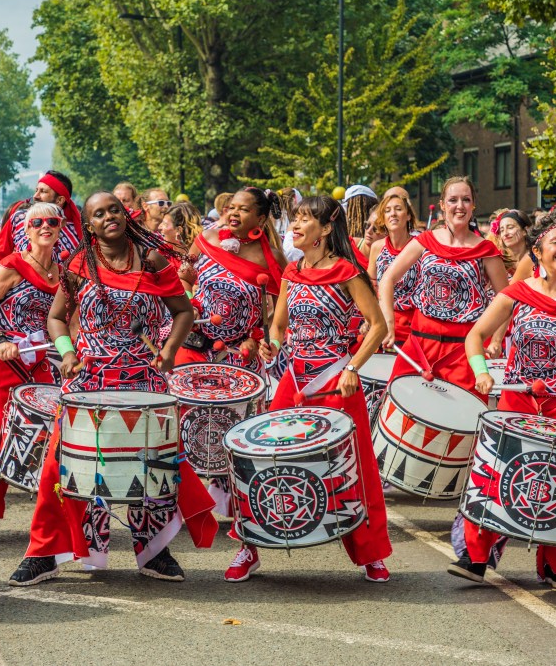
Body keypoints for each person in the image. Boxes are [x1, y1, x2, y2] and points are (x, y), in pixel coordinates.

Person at [7, 192, 217, 586]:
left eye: (114, 210)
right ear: (89, 225)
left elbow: (184, 311)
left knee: (153, 467)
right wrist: (67, 352)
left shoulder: (152, 260)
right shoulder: (77, 264)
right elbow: (56, 318)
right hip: (89, 381)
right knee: (60, 467)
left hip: (144, 383)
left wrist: (170, 350)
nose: (108, 217)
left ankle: (155, 550)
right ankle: (45, 553)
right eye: (98, 214)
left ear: (126, 214)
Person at [228, 195, 393, 583]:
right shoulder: (292, 273)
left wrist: (353, 366)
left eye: (304, 220)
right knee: (262, 457)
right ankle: (248, 545)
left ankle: (371, 554)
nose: (295, 226)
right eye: (294, 220)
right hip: (295, 378)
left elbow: (378, 326)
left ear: (323, 230)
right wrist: (272, 341)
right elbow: (279, 326)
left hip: (336, 380)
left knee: (354, 465)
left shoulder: (347, 272)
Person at [453, 215, 556, 589]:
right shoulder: (516, 293)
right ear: (538, 251)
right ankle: (475, 557)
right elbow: (475, 336)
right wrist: (481, 371)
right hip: (518, 398)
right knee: (495, 474)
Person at [0, 203, 62, 526]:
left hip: (39, 361)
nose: (45, 227)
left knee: (54, 432)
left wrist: (76, 351)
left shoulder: (64, 272)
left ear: (60, 227)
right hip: (1, 358)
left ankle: (53, 514)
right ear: (26, 230)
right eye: (37, 222)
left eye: (52, 221)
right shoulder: (13, 265)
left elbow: (65, 321)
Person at [378, 176, 508, 395]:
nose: (459, 206)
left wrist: (496, 340)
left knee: (460, 420)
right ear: (442, 205)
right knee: (401, 413)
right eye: (453, 200)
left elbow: (505, 300)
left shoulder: (486, 250)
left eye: (466, 200)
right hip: (420, 343)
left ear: (473, 205)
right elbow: (387, 279)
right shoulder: (425, 241)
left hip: (463, 350)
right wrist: (388, 324)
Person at [177, 187, 286, 371]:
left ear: (260, 219)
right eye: (231, 207)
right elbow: (183, 278)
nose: (234, 213)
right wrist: (189, 305)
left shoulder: (273, 259)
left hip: (239, 357)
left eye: (243, 209)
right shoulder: (205, 239)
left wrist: (259, 339)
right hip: (193, 347)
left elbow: (280, 312)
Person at [0, 171, 82, 269]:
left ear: (59, 200)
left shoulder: (77, 232)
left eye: (43, 191)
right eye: (36, 190)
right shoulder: (20, 218)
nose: (35, 196)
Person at [367, 192, 420, 346]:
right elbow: (371, 287)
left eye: (398, 209)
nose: (393, 214)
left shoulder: (420, 246)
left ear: (408, 215)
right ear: (383, 218)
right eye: (388, 210)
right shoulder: (377, 247)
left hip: (413, 322)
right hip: (384, 318)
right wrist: (369, 319)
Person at [488, 210, 531, 276]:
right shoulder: (498, 262)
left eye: (510, 227)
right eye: (502, 230)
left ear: (524, 231)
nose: (505, 233)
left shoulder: (537, 258)